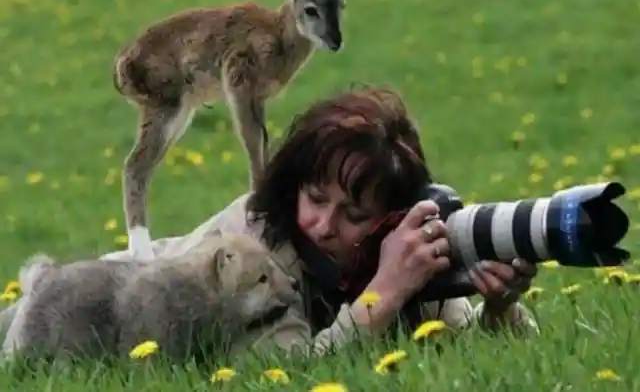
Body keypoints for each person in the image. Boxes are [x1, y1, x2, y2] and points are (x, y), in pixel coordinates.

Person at [0, 86, 539, 358]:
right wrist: (381, 297)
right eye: (314, 197)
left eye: (353, 214)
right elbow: (288, 371)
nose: (324, 224)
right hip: (80, 308)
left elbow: (475, 346)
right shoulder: (255, 246)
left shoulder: (403, 250)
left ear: (390, 220)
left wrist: (501, 308)